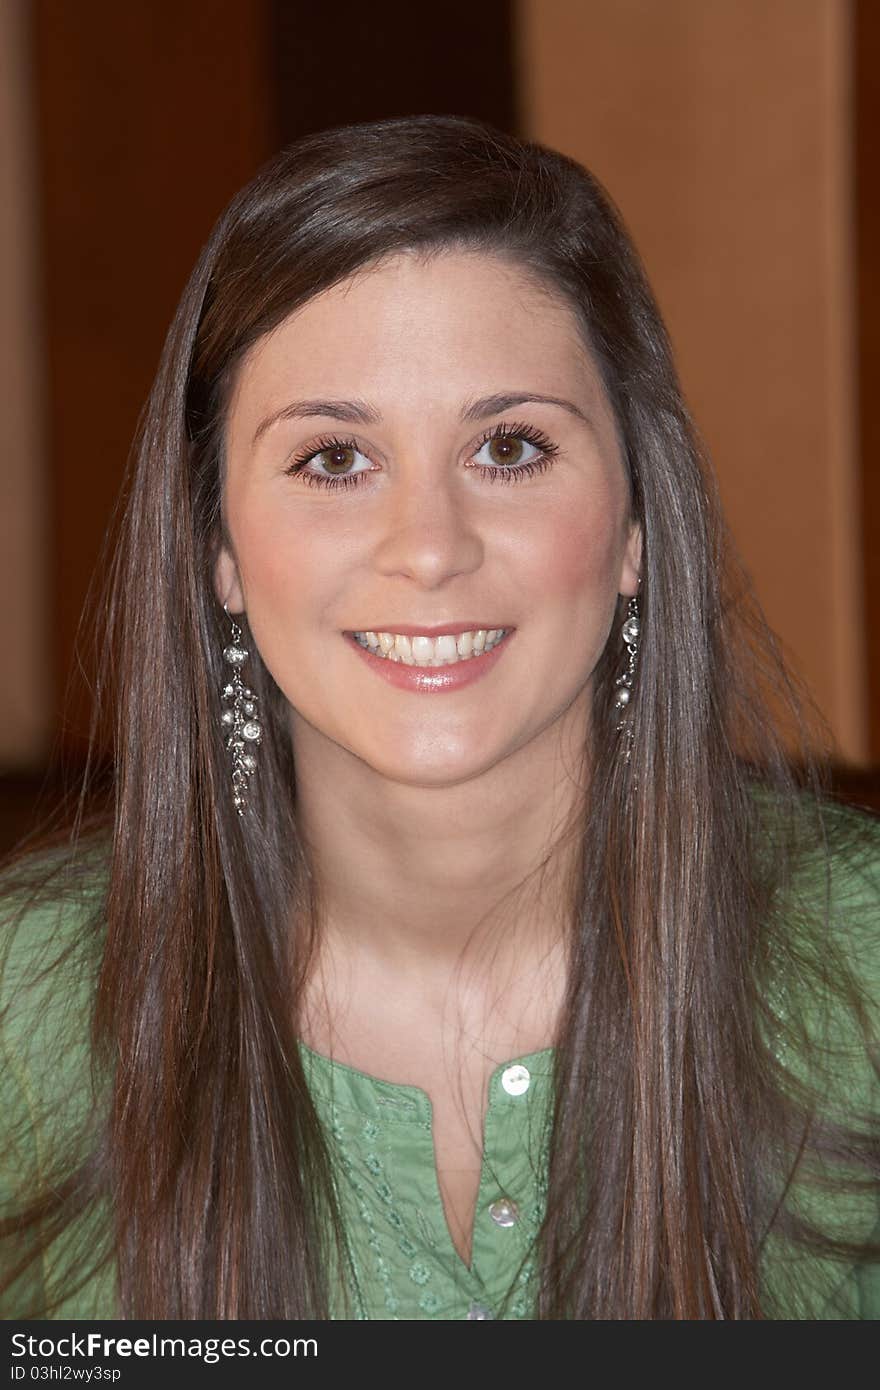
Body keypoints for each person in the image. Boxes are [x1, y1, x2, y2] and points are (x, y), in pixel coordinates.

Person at [1, 113, 878, 1322]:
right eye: (334, 460)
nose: (427, 549)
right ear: (218, 549)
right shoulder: (23, 1015)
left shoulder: (862, 966)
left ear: (633, 527)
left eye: (509, 446)